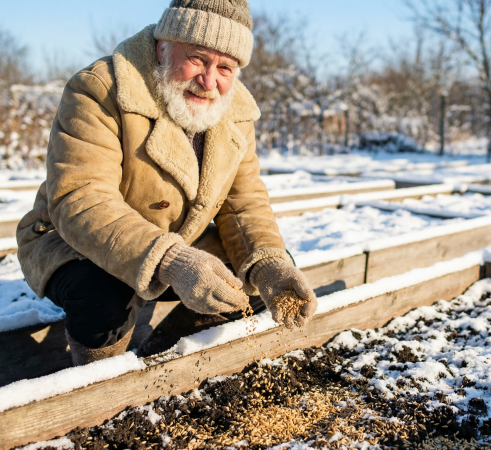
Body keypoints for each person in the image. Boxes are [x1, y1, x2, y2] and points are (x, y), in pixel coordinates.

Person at [16, 0, 317, 366]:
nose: (209, 81)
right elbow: (82, 199)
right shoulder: (100, 89)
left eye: (225, 67)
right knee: (107, 293)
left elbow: (244, 204)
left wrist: (270, 263)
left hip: (177, 244)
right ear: (163, 47)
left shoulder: (235, 114)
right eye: (197, 59)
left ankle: (160, 359)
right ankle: (99, 386)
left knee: (260, 270)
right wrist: (170, 260)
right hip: (72, 241)